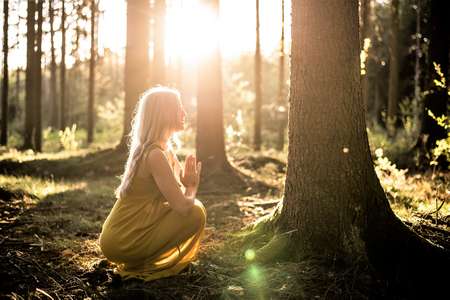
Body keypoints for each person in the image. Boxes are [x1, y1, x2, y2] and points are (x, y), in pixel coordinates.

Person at [99, 86, 206, 281]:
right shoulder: (155, 154)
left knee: (196, 208)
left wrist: (184, 184)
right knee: (195, 212)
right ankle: (140, 264)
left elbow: (175, 201)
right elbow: (183, 207)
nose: (184, 113)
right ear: (164, 114)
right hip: (122, 239)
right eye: (178, 108)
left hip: (125, 234)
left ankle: (140, 260)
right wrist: (192, 187)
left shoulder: (165, 151)